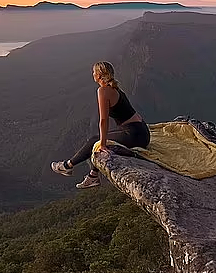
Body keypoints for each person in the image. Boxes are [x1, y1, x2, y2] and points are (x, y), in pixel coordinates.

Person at [51, 61, 150, 189]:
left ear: (99, 75)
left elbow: (103, 120)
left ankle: (66, 166)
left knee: (95, 140)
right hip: (141, 131)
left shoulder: (103, 91)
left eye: (94, 72)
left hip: (135, 134)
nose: (92, 74)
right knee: (101, 139)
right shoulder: (114, 87)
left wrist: (102, 144)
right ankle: (92, 176)